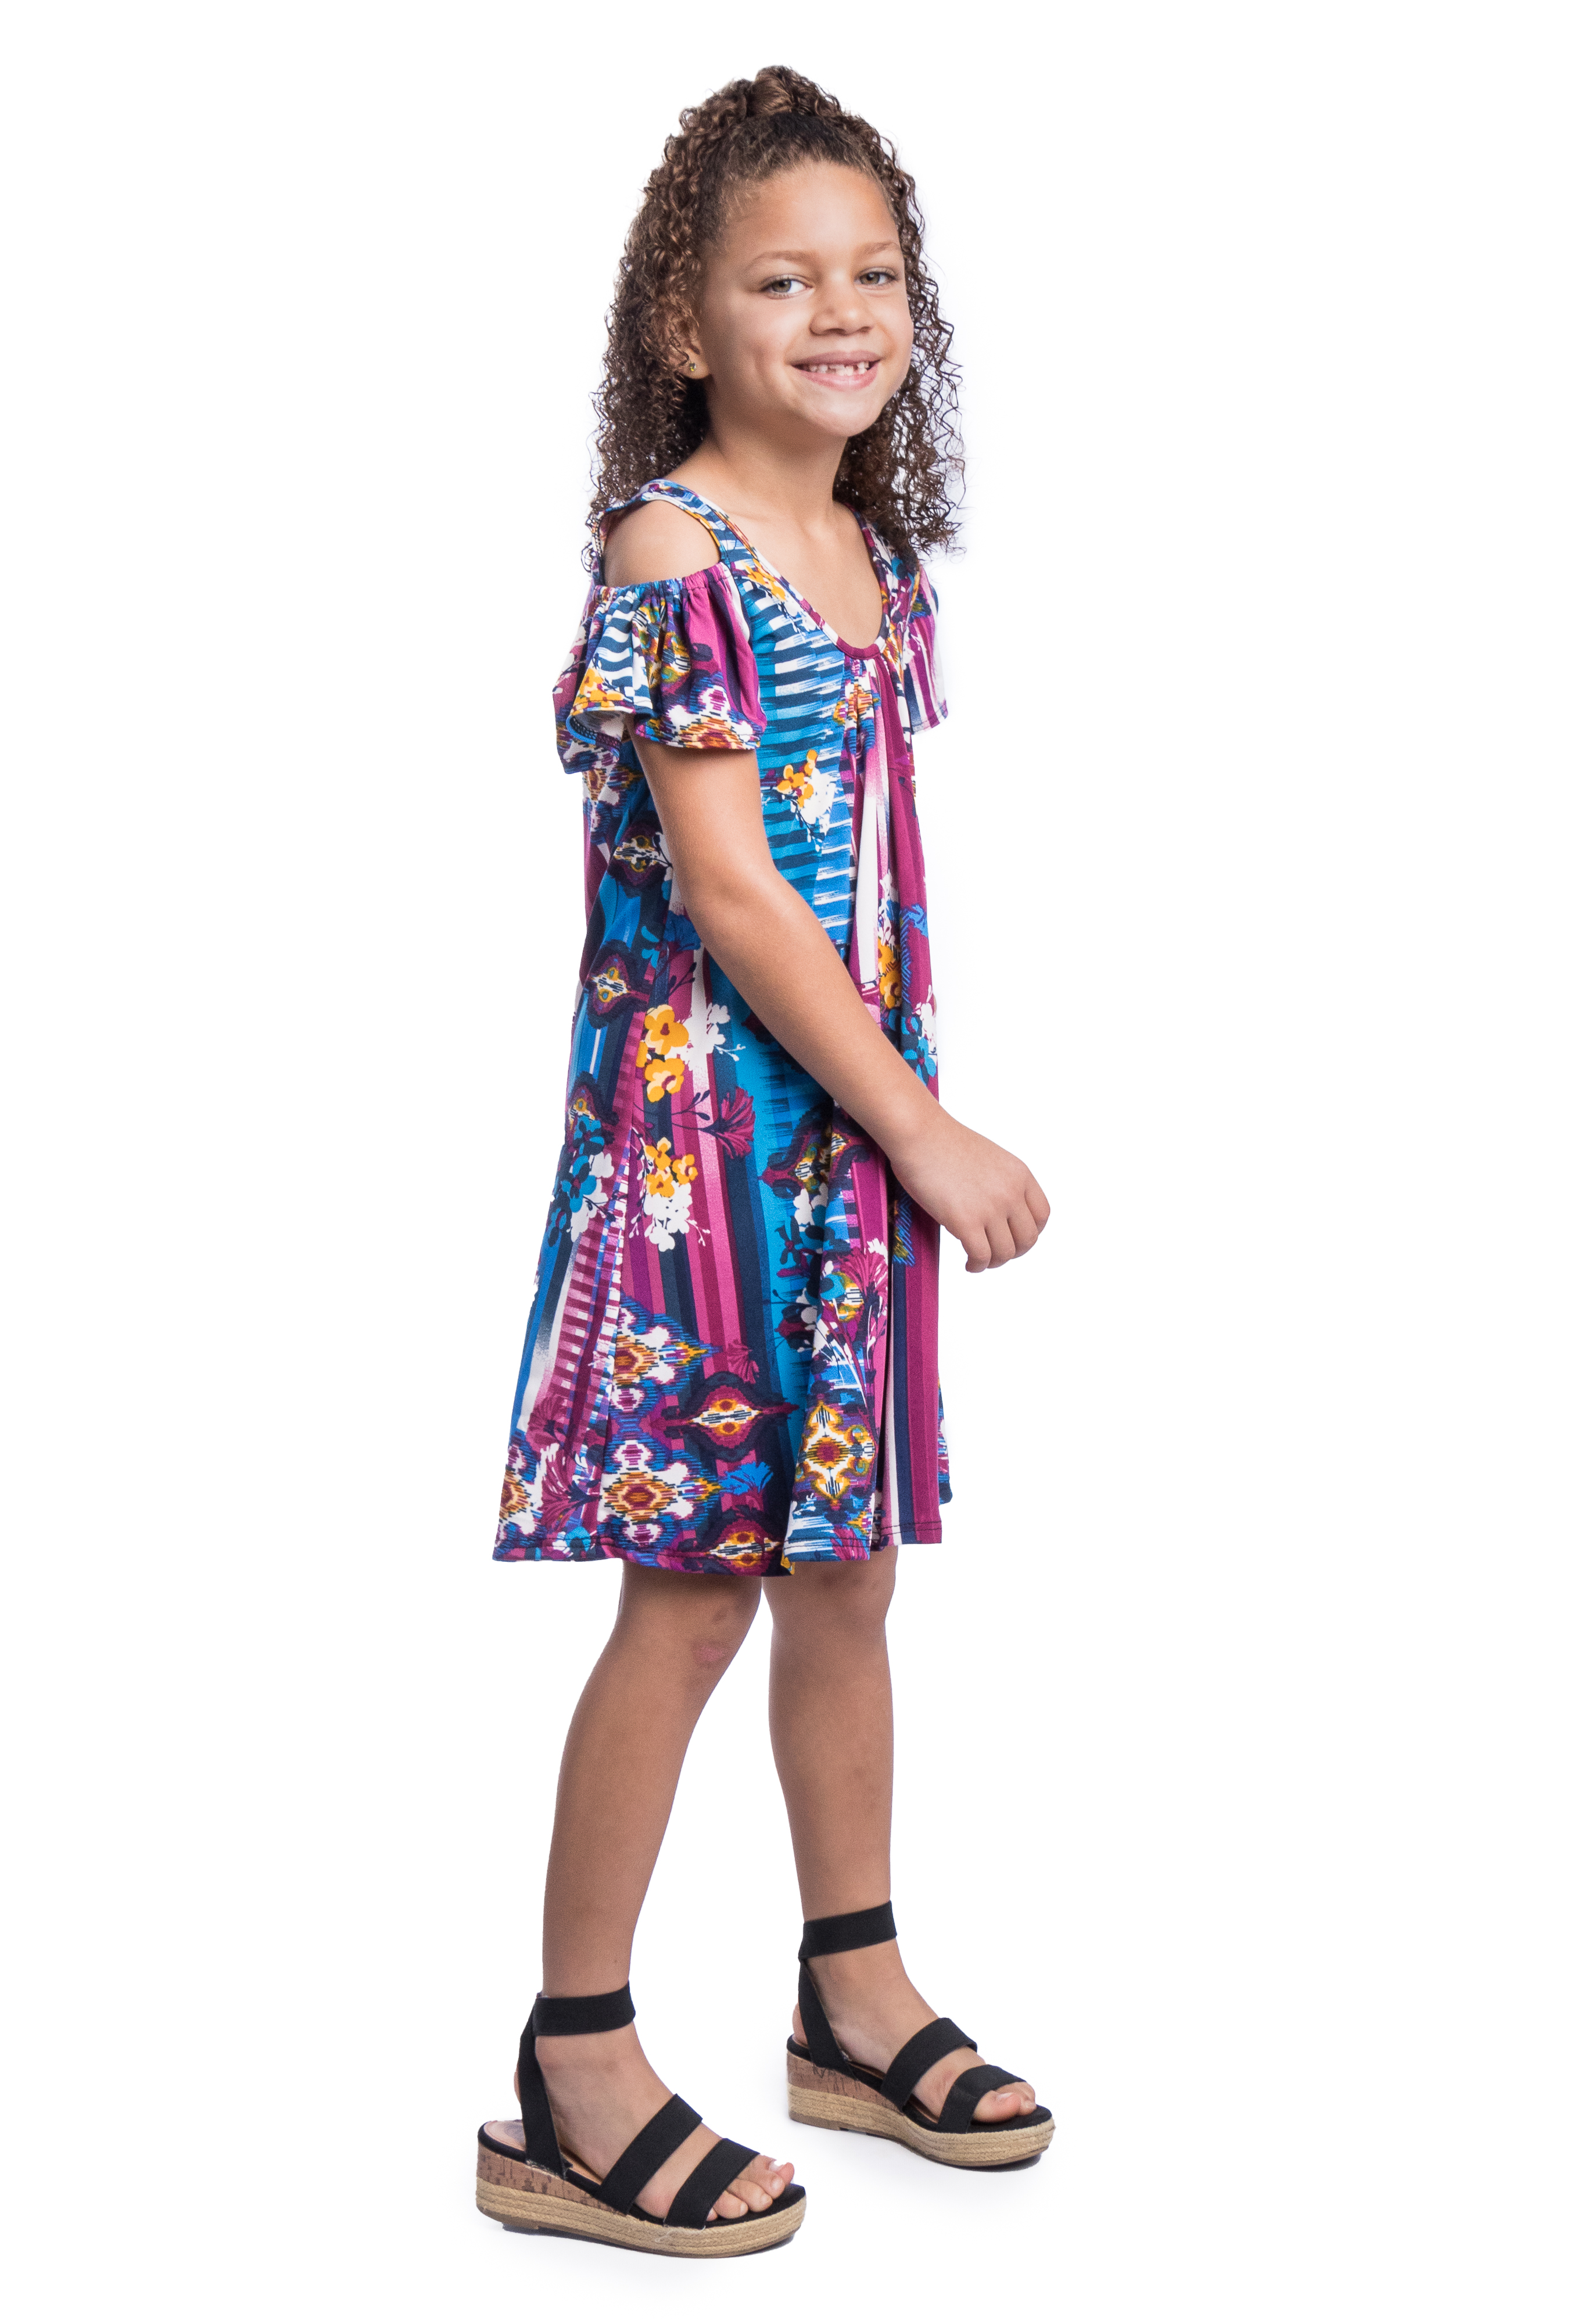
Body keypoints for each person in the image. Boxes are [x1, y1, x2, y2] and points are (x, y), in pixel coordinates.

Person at [476, 65, 1054, 2259]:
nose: (840, 313)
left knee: (848, 1575)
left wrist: (892, 1123)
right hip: (705, 1161)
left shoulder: (871, 561)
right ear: (684, 320)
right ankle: (573, 2065)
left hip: (843, 1149)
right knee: (694, 1588)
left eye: (874, 275)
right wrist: (925, 1125)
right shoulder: (676, 547)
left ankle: (853, 1990)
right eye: (783, 279)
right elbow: (728, 890)